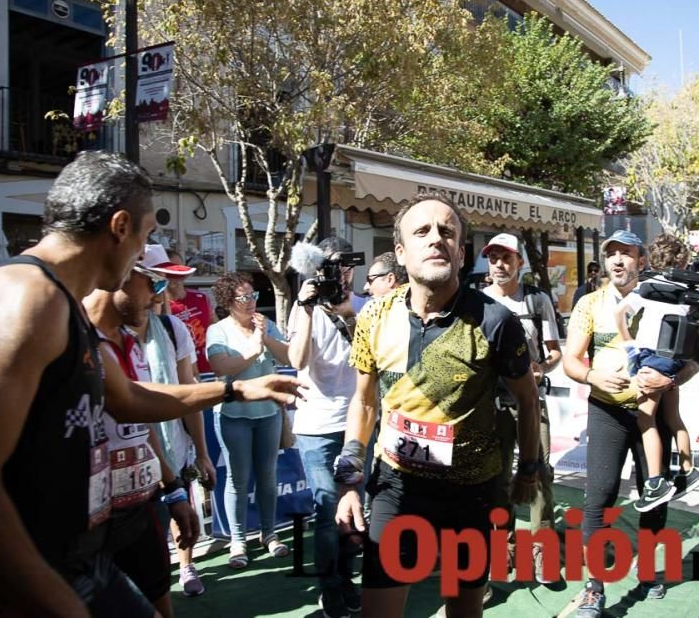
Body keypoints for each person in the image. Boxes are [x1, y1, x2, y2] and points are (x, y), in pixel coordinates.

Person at [0, 150, 304, 617]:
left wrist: (233, 389)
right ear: (120, 227)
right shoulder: (25, 297)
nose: (146, 264)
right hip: (23, 572)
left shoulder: (61, 304)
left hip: (78, 556)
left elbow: (127, 397)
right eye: (146, 236)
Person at [335, 193, 540, 618]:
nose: (435, 240)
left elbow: (526, 398)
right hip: (397, 487)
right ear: (400, 252)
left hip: (470, 492)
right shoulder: (373, 316)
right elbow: (364, 402)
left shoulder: (496, 321)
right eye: (422, 231)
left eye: (447, 232)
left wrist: (530, 469)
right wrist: (349, 479)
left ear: (461, 253)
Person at [563, 229, 698, 617]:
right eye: (612, 254)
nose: (618, 260)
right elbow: (572, 359)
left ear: (642, 261)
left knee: (654, 494)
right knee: (599, 497)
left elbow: (692, 361)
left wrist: (670, 378)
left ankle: (647, 567)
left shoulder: (667, 296)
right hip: (606, 410)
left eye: (627, 253)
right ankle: (594, 587)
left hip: (652, 414)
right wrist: (592, 377)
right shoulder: (590, 303)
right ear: (605, 262)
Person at [84, 253, 195, 618]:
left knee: (159, 602)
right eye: (155, 283)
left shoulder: (134, 340)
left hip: (140, 507)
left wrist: (174, 487)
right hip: (81, 529)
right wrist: (232, 391)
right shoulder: (69, 337)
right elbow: (130, 402)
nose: (160, 296)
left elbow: (140, 422)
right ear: (123, 272)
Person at [133, 244, 217, 597]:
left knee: (180, 507)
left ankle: (186, 566)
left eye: (165, 283)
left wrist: (201, 453)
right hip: (132, 459)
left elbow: (188, 394)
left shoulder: (172, 330)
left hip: (174, 448)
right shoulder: (105, 335)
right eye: (158, 282)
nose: (164, 290)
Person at [288, 236, 364, 618]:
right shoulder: (306, 306)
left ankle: (347, 578)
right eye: (333, 267)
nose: (341, 274)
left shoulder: (364, 305)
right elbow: (297, 359)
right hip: (315, 426)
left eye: (346, 266)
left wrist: (348, 314)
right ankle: (329, 586)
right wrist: (305, 307)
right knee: (325, 510)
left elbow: (373, 357)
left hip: (356, 427)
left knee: (352, 511)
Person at [481, 233, 561, 583]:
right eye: (493, 257)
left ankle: (543, 550)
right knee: (495, 478)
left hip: (531, 402)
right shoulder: (477, 302)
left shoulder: (537, 300)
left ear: (520, 263)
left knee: (539, 471)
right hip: (491, 405)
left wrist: (541, 369)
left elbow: (555, 351)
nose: (499, 264)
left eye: (506, 258)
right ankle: (504, 548)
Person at [207, 271, 293, 569]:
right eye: (243, 297)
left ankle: (269, 534)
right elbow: (221, 366)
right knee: (238, 479)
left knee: (268, 476)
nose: (249, 302)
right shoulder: (218, 331)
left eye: (252, 296)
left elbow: (288, 358)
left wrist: (265, 337)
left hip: (268, 414)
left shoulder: (266, 325)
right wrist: (252, 349)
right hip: (234, 416)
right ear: (228, 301)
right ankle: (238, 540)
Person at [613, 233, 699, 512]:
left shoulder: (649, 285)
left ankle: (655, 482)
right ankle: (688, 469)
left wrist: (630, 346)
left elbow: (620, 314)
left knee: (645, 419)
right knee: (673, 417)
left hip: (653, 358)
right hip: (675, 357)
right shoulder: (689, 289)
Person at [167, 249, 217, 375]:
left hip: (210, 368)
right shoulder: (159, 307)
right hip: (182, 375)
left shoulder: (201, 297)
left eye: (180, 269)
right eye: (171, 270)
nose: (178, 274)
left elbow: (215, 327)